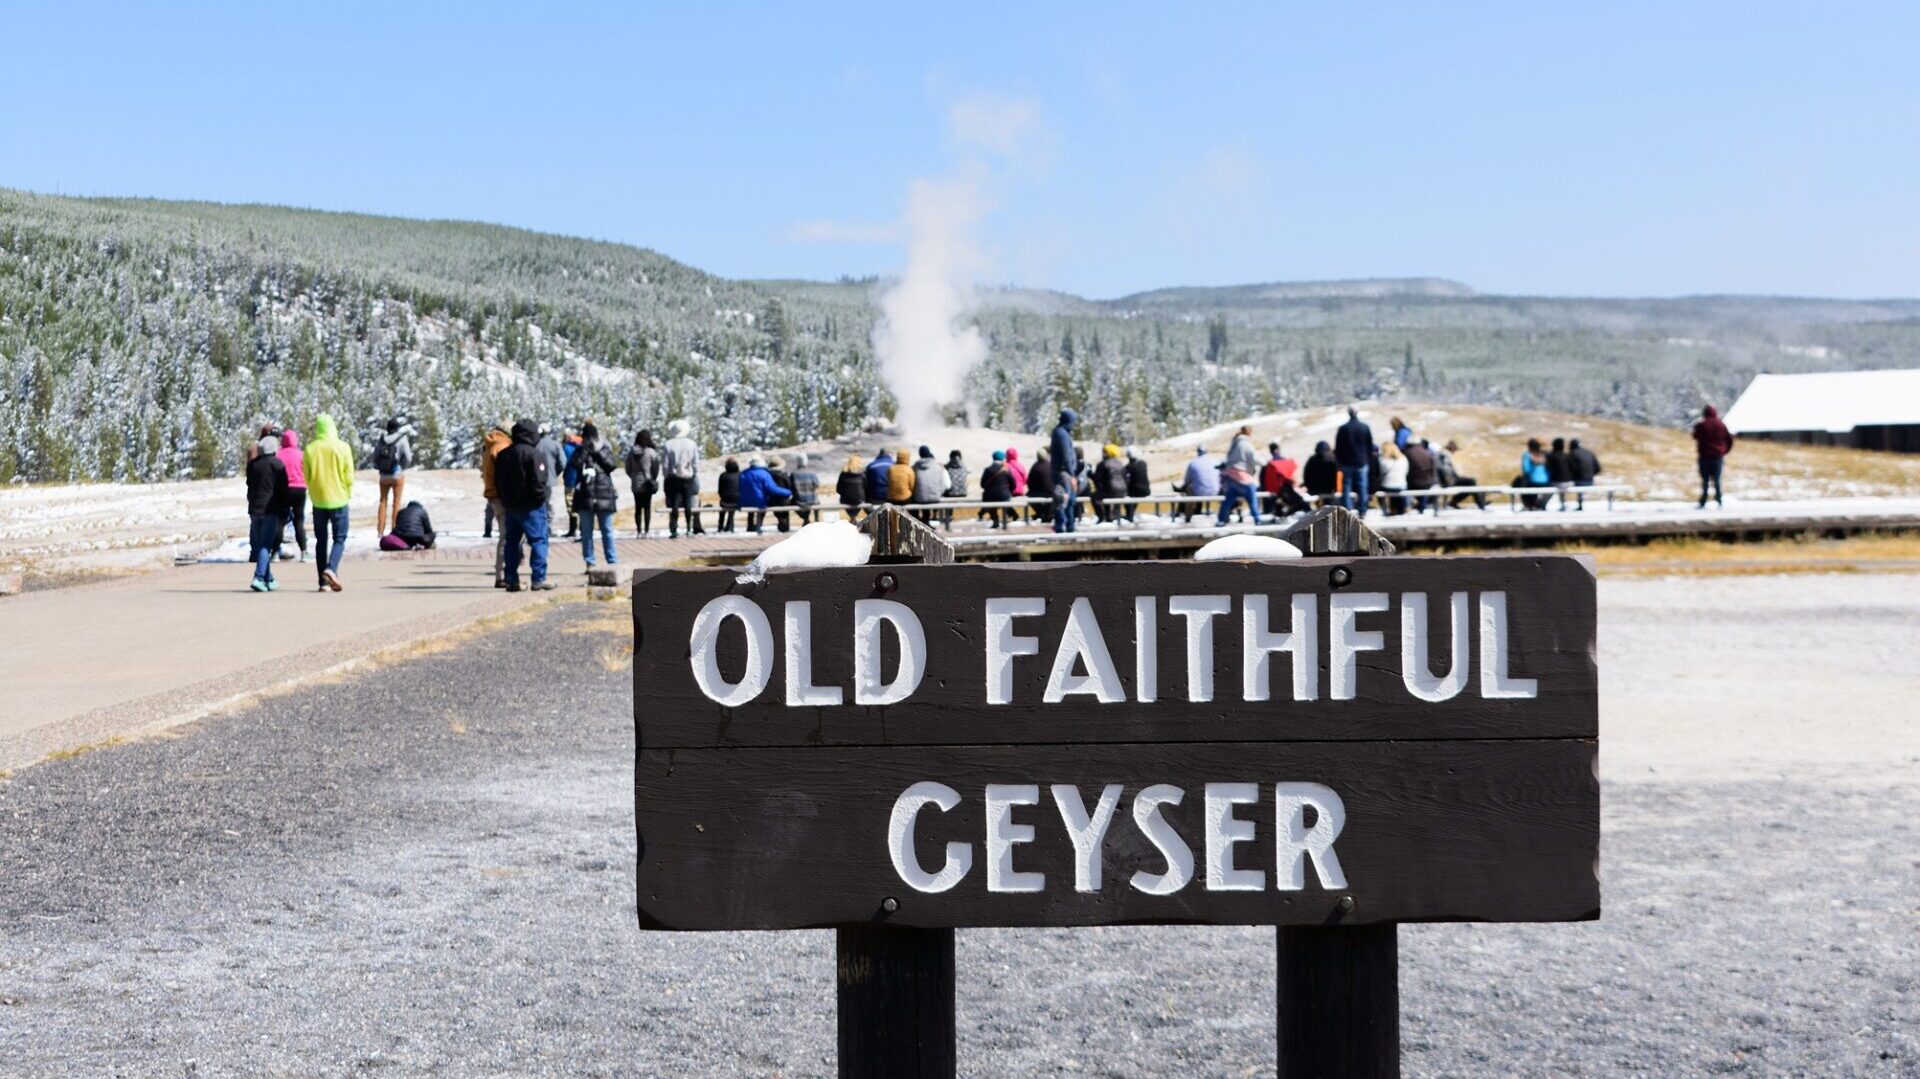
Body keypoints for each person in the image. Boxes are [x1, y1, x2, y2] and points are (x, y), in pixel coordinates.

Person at [495, 418, 555, 592]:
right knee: (538, 541)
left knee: (511, 543)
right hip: (531, 507)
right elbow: (539, 481)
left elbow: (499, 481)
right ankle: (538, 578)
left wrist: (505, 499)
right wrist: (539, 498)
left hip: (511, 507)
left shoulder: (504, 455)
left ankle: (511, 579)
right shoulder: (534, 454)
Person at [303, 412, 354, 593]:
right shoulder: (342, 447)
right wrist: (347, 492)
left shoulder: (310, 449)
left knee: (321, 541)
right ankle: (331, 568)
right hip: (339, 498)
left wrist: (314, 491)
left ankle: (322, 583)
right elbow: (349, 475)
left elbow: (307, 476)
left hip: (318, 500)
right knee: (339, 538)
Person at [245, 434, 290, 592]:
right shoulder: (277, 465)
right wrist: (286, 509)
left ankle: (268, 578)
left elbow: (249, 485)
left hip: (254, 509)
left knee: (260, 545)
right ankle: (258, 577)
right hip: (270, 509)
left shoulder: (253, 465)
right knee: (266, 545)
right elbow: (284, 490)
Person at [573, 421, 619, 567]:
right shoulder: (580, 450)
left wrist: (598, 452)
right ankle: (590, 562)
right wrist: (585, 451)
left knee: (607, 530)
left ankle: (612, 560)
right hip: (585, 496)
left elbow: (611, 466)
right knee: (586, 532)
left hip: (603, 494)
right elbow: (575, 465)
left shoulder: (604, 449)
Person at [480, 421, 514, 585]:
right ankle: (503, 574)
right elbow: (505, 475)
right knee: (507, 536)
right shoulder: (501, 447)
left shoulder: (491, 445)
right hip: (502, 497)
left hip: (494, 495)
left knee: (506, 536)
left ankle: (504, 572)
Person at [662, 419, 703, 538]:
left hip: (673, 478)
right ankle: (689, 528)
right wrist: (693, 473)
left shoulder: (668, 444)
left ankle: (674, 529)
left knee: (674, 504)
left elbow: (665, 464)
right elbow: (696, 463)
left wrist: (667, 476)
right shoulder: (691, 444)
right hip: (688, 477)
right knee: (688, 503)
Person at [373, 417, 414, 536]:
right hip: (397, 475)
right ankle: (394, 530)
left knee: (383, 502)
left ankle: (380, 531)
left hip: (383, 476)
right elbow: (408, 457)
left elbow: (375, 457)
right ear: (397, 428)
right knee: (396, 503)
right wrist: (402, 467)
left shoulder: (381, 440)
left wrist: (379, 468)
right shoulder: (402, 439)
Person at [275, 428, 309, 562]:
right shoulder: (302, 455)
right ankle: (304, 551)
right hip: (300, 489)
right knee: (299, 521)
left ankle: (274, 553)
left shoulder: (278, 455)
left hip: (283, 490)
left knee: (280, 522)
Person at [1216, 427, 1262, 525]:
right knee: (1251, 494)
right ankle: (1257, 519)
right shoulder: (1246, 444)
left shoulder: (1234, 443)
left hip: (1231, 476)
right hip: (1241, 476)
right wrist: (1264, 463)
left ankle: (1221, 519)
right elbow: (1253, 458)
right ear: (1249, 433)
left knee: (1229, 498)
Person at [1334, 407, 1375, 517]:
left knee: (1346, 487)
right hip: (1361, 462)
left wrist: (1339, 462)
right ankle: (1362, 510)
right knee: (1362, 486)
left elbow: (1338, 447)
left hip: (1346, 462)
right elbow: (1370, 446)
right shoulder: (1365, 427)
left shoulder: (1343, 428)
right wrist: (1368, 460)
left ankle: (1347, 510)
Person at [738, 456, 791, 534]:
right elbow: (772, 489)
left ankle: (750, 525)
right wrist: (788, 492)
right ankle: (759, 525)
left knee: (752, 500)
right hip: (759, 502)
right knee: (761, 501)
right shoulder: (764, 474)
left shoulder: (744, 473)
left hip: (743, 502)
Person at [1692, 405, 1733, 508]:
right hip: (1718, 457)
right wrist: (1725, 451)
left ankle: (1703, 500)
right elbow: (1729, 439)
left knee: (1705, 480)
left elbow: (1695, 436)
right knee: (1717, 479)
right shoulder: (1721, 425)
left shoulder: (1701, 425)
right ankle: (1719, 499)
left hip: (1705, 456)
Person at [623, 429, 661, 537]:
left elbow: (627, 468)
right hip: (648, 482)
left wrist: (633, 476)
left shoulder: (631, 452)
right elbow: (656, 467)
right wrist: (653, 477)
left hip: (636, 483)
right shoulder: (651, 452)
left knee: (638, 507)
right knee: (647, 507)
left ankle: (639, 530)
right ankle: (647, 530)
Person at [1049, 410, 1081, 533]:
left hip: (1064, 472)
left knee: (1068, 500)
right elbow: (1066, 456)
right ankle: (1063, 526)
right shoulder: (1061, 434)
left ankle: (1069, 525)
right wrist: (1072, 474)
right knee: (1064, 500)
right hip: (1064, 473)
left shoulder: (1061, 433)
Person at [1434, 439, 1487, 510]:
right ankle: (1481, 505)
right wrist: (1452, 480)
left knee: (1470, 483)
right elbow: (1445, 471)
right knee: (1471, 482)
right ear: (1452, 448)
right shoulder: (1444, 455)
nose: (1455, 451)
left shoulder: (1443, 454)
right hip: (1448, 481)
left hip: (1449, 480)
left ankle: (1479, 503)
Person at [536, 424, 569, 538]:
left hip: (535, 480)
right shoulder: (555, 445)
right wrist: (555, 473)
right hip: (549, 480)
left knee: (537, 505)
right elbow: (563, 462)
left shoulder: (534, 444)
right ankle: (548, 529)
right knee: (549, 505)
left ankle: (538, 528)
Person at [1177, 446, 1222, 522]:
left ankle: (1188, 517)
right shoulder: (1215, 461)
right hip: (1215, 491)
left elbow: (1187, 481)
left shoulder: (1193, 463)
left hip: (1198, 492)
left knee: (1189, 488)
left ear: (1197, 452)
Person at [1092, 444, 1129, 523]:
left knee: (1094, 496)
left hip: (1109, 490)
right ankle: (1115, 514)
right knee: (1113, 495)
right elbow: (1125, 477)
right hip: (1122, 491)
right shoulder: (1120, 463)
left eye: (1104, 452)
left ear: (1107, 453)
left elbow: (1097, 479)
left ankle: (1101, 517)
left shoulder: (1103, 464)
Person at [980, 450, 1015, 528]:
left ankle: (995, 521)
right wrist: (1009, 492)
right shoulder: (1006, 469)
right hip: (1004, 496)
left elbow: (982, 485)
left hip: (990, 497)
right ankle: (1006, 520)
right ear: (1003, 459)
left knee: (991, 504)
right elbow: (1013, 484)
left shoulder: (988, 469)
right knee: (1006, 501)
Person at [560, 428, 583, 538]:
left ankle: (573, 529)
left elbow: (563, 462)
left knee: (570, 504)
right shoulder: (582, 445)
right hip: (581, 479)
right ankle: (582, 527)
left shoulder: (566, 447)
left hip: (570, 478)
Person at [1403, 438, 1437, 513]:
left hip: (1414, 482)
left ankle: (1406, 508)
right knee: (1423, 492)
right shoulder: (1426, 452)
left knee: (1403, 487)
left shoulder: (1407, 453)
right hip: (1427, 482)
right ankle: (1422, 509)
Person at [1517, 438, 1551, 510]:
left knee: (1518, 483)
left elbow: (1526, 470)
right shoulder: (1544, 454)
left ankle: (1528, 506)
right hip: (1546, 480)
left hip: (1533, 481)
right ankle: (1538, 505)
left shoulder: (1527, 455)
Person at [1568, 438, 1601, 510]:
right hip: (1590, 479)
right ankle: (1580, 504)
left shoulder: (1572, 453)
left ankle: (1580, 505)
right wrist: (1590, 474)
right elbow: (1598, 467)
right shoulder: (1589, 452)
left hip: (1579, 480)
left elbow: (1570, 468)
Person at [767, 455, 797, 532]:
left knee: (778, 511)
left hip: (772, 501)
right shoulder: (784, 475)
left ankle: (781, 520)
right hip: (784, 501)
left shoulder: (768, 475)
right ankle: (786, 525)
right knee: (785, 510)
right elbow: (790, 486)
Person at [1302, 441, 1338, 506]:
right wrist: (1335, 488)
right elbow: (1337, 475)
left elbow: (1306, 475)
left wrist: (1308, 487)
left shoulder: (1311, 459)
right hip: (1329, 490)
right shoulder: (1332, 458)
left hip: (1314, 490)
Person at [1379, 442, 1409, 515]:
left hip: (1387, 485)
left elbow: (1380, 473)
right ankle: (1401, 509)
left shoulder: (1383, 460)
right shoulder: (1403, 459)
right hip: (1401, 485)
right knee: (1397, 492)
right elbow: (1406, 472)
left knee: (1381, 491)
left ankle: (1386, 510)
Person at [790, 453, 821, 525]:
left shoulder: (793, 474)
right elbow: (817, 485)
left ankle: (806, 519)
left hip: (800, 501)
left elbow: (791, 487)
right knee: (817, 501)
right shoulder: (812, 473)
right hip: (813, 500)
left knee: (792, 502)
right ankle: (816, 520)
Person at [836, 456, 867, 523]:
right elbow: (866, 488)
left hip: (845, 501)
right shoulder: (862, 474)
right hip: (859, 501)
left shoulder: (843, 474)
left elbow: (838, 489)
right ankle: (854, 519)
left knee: (852, 517)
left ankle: (852, 519)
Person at [1124, 446, 1151, 521]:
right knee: (1133, 491)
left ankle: (1129, 515)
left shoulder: (1128, 467)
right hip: (1146, 491)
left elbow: (1126, 480)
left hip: (1135, 492)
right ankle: (1130, 514)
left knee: (1127, 494)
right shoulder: (1143, 463)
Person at [1546, 437, 1573, 511]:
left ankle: (1541, 505)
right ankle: (1563, 505)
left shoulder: (1551, 456)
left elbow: (1548, 467)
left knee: (1546, 488)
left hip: (1556, 481)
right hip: (1569, 481)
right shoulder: (1567, 455)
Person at [1025, 450, 1052, 523]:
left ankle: (1041, 513)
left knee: (1028, 495)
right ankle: (1048, 513)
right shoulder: (1051, 465)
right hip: (1052, 492)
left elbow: (1029, 483)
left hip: (1040, 493)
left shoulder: (1035, 466)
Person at [716, 458, 742, 532]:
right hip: (738, 501)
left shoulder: (723, 475)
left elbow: (720, 491)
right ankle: (729, 525)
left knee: (723, 505)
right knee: (733, 501)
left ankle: (720, 526)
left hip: (725, 501)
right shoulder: (740, 475)